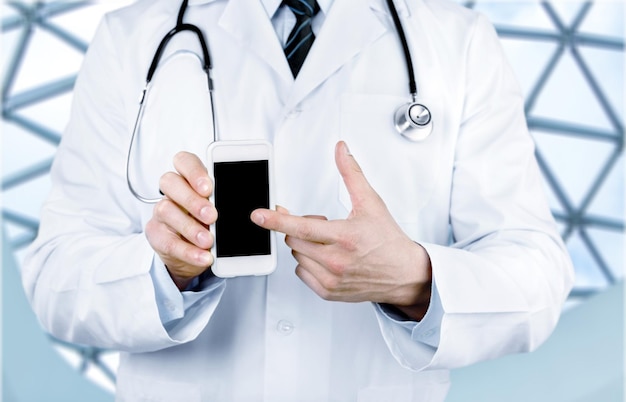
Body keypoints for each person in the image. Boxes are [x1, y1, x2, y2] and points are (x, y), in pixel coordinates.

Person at [22, 0, 574, 401]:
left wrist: (413, 279)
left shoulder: (459, 42)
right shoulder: (132, 39)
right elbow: (55, 280)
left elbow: (537, 278)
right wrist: (166, 271)